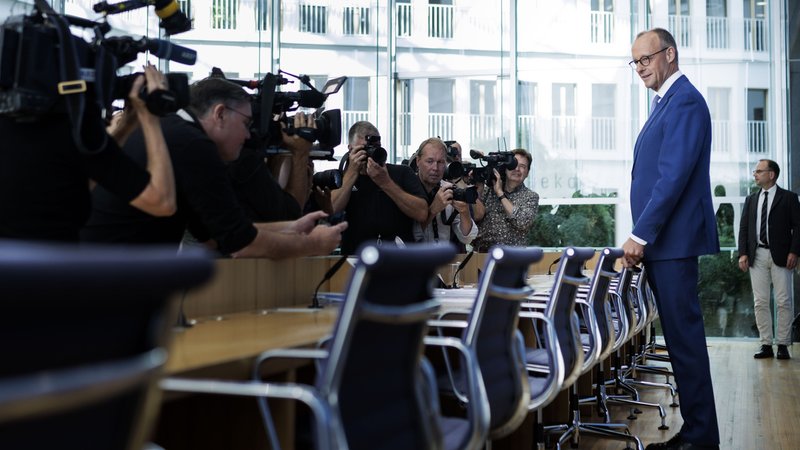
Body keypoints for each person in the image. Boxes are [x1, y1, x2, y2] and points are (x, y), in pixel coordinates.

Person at [82, 77, 346, 259]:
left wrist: (292, 228)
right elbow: (240, 243)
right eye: (245, 123)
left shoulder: (174, 131)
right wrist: (312, 244)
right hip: (111, 280)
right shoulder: (192, 143)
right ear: (220, 114)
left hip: (100, 267)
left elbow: (213, 236)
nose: (248, 136)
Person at [622, 28, 720, 450]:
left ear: (670, 54)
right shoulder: (667, 102)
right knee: (681, 343)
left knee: (686, 343)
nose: (640, 68)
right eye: (635, 62)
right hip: (666, 246)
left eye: (646, 59)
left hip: (672, 244)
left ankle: (701, 438)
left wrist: (639, 234)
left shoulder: (685, 101)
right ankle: (697, 433)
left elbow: (672, 177)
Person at [0, 64, 176, 242]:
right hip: (55, 257)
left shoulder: (11, 125)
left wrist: (127, 126)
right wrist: (150, 118)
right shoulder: (75, 130)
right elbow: (162, 202)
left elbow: (82, 180)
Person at [331, 121, 427, 254]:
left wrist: (386, 183)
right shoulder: (341, 177)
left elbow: (422, 213)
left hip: (398, 257)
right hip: (356, 257)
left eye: (375, 148)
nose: (370, 153)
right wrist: (352, 172)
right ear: (350, 149)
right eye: (364, 149)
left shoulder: (402, 173)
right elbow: (332, 208)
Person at [737, 159, 800, 360]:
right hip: (757, 255)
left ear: (771, 174)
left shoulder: (789, 198)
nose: (754, 174)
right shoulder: (751, 199)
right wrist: (743, 253)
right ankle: (766, 344)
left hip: (782, 255)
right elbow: (744, 228)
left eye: (759, 171)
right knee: (760, 301)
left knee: (783, 301)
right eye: (755, 171)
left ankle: (783, 344)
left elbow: (798, 227)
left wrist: (794, 252)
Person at [412, 138, 478, 245]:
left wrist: (464, 212)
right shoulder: (407, 189)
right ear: (418, 161)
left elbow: (467, 238)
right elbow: (408, 236)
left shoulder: (448, 189)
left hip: (443, 254)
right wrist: (433, 210)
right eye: (429, 161)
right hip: (413, 254)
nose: (435, 168)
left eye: (440, 162)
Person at [471, 148, 538, 252]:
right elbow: (475, 217)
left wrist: (500, 194)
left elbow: (522, 222)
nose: (517, 169)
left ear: (527, 172)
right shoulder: (487, 191)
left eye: (522, 166)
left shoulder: (531, 196)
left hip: (512, 256)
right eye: (513, 164)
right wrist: (478, 190)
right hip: (482, 255)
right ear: (505, 168)